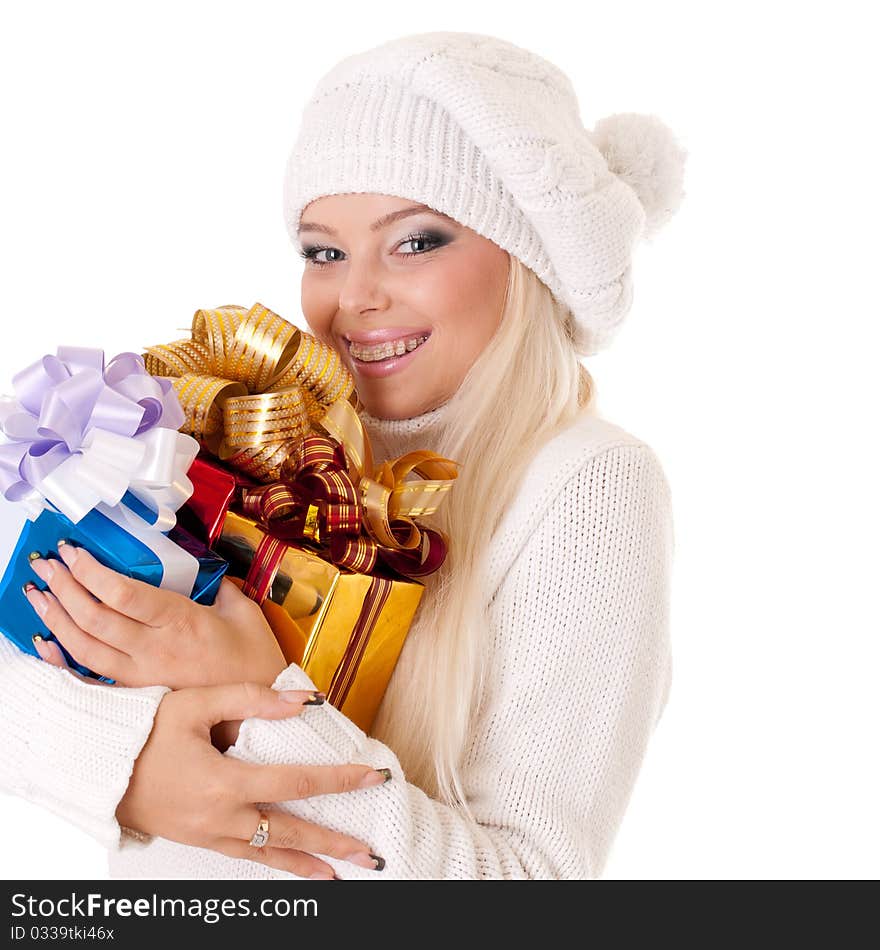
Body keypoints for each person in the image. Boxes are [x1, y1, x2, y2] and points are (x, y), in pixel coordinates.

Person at [2, 30, 687, 879]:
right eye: (325, 251)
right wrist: (135, 776)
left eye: (418, 240)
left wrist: (267, 697)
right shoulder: (255, 430)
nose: (354, 297)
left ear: (528, 259)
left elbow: (531, 885)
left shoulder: (586, 485)